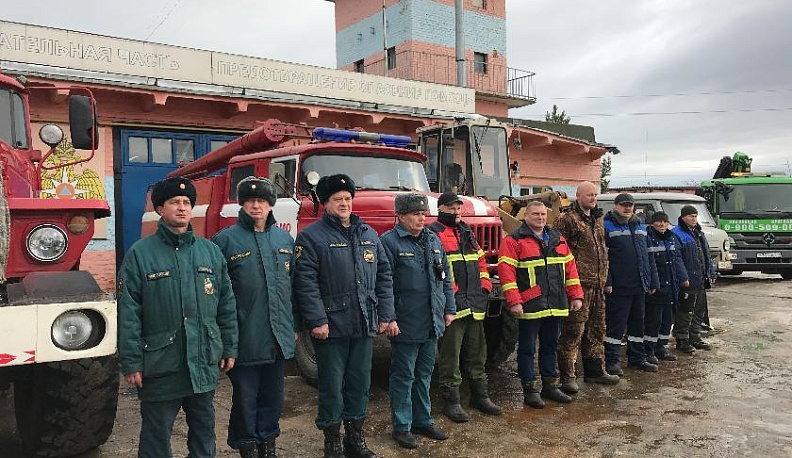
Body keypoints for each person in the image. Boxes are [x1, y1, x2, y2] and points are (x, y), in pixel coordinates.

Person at [118, 177, 238, 458]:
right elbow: (129, 313)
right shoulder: (140, 255)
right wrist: (131, 362)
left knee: (204, 433)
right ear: (161, 209)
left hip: (202, 361)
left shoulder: (210, 252)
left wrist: (230, 346)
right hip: (161, 365)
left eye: (187, 203)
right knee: (156, 436)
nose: (182, 208)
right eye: (174, 202)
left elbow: (226, 304)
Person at [292, 174, 399, 458]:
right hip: (331, 326)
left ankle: (355, 438)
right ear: (326, 203)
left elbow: (384, 277)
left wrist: (385, 314)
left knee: (359, 384)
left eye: (347, 198)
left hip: (363, 323)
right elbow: (305, 283)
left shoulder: (368, 234)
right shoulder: (311, 237)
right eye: (337, 199)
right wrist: (316, 321)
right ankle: (332, 441)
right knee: (331, 386)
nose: (344, 203)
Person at [211, 177, 294, 458]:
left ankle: (267, 445)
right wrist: (224, 339)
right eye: (250, 201)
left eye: (262, 201)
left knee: (272, 397)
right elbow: (216, 295)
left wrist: (292, 325)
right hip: (245, 335)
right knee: (246, 400)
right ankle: (247, 447)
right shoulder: (224, 241)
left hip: (277, 336)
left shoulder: (283, 239)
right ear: (241, 204)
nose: (256, 205)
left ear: (271, 205)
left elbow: (291, 287)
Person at [381, 193, 455, 449]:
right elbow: (384, 283)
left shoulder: (433, 240)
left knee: (425, 374)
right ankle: (402, 426)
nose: (421, 218)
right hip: (406, 321)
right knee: (404, 376)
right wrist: (388, 317)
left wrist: (449, 309)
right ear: (400, 216)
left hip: (431, 320)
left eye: (423, 214)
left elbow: (445, 278)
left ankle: (422, 419)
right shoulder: (389, 243)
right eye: (415, 214)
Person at [498, 201, 584, 409]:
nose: (540, 218)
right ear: (525, 216)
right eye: (535, 214)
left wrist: (576, 296)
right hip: (530, 304)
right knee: (527, 349)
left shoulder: (557, 238)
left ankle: (550, 386)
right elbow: (506, 275)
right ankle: (530, 389)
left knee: (550, 346)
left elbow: (570, 269)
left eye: (543, 214)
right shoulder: (514, 240)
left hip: (555, 303)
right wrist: (514, 302)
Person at [428, 191, 502, 422]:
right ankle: (452, 400)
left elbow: (480, 261)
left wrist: (486, 285)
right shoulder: (433, 234)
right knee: (450, 355)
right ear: (441, 210)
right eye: (451, 208)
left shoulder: (467, 232)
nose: (456, 211)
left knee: (477, 352)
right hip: (453, 306)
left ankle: (480, 396)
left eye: (458, 208)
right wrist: (450, 294)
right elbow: (436, 269)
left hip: (475, 303)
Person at [553, 182, 620, 394]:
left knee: (597, 330)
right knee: (573, 331)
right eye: (589, 195)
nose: (593, 198)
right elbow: (558, 253)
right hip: (578, 285)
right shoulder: (567, 220)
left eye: (595, 195)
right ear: (578, 196)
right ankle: (567, 376)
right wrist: (567, 285)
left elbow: (602, 249)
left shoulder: (598, 219)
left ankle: (594, 371)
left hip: (598, 284)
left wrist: (605, 278)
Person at [603, 193, 660, 375]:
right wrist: (608, 281)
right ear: (615, 206)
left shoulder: (640, 227)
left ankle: (637, 358)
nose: (627, 208)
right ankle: (612, 361)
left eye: (630, 205)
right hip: (619, 286)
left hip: (640, 285)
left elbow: (648, 255)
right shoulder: (606, 226)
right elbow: (603, 258)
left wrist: (652, 280)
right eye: (623, 205)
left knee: (637, 324)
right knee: (616, 326)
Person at [672, 205, 717, 353]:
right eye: (691, 216)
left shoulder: (699, 233)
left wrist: (711, 272)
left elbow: (706, 254)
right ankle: (682, 339)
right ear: (683, 217)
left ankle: (695, 337)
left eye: (695, 216)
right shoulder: (676, 234)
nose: (693, 219)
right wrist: (683, 277)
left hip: (701, 279)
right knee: (685, 311)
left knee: (699, 310)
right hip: (688, 280)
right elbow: (677, 259)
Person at [644, 211, 689, 363]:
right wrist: (652, 283)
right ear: (652, 223)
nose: (662, 224)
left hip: (671, 287)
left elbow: (677, 260)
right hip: (656, 288)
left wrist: (683, 277)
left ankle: (661, 348)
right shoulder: (648, 238)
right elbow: (648, 265)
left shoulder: (671, 238)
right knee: (653, 321)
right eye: (658, 221)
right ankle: (649, 350)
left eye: (664, 221)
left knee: (666, 320)